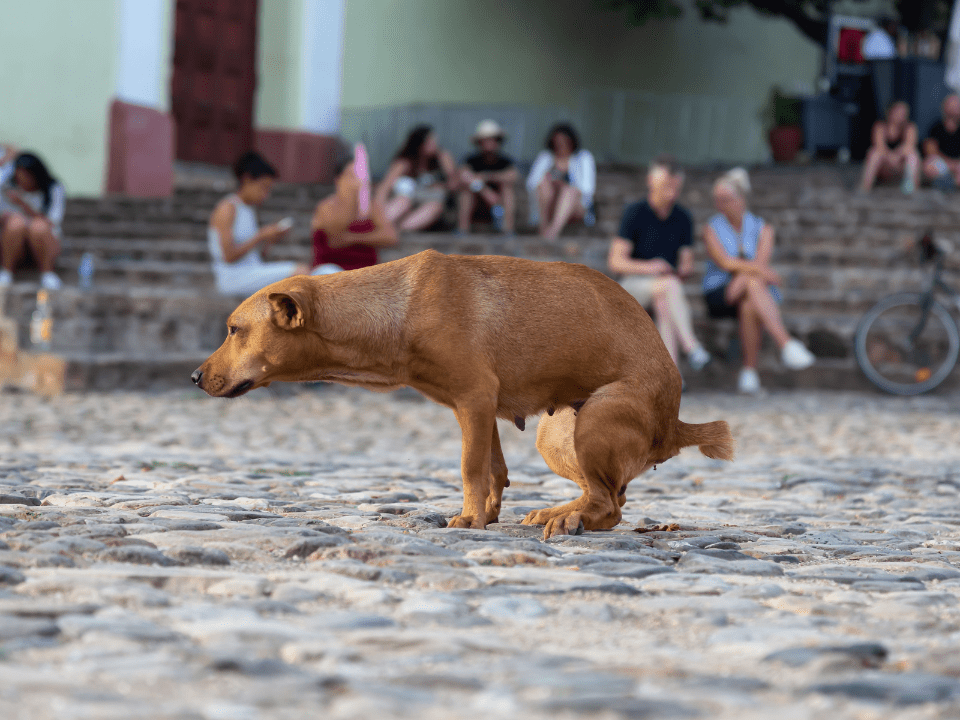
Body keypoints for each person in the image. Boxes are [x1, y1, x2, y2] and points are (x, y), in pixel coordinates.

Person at [702, 168, 815, 394]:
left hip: (748, 293)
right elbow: (726, 263)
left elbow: (756, 266)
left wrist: (751, 271)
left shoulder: (763, 229)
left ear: (741, 199)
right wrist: (760, 272)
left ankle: (749, 374)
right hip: (720, 291)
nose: (720, 205)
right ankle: (786, 344)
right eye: (718, 200)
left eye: (726, 200)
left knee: (749, 300)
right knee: (754, 281)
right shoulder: (711, 228)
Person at [608, 155, 711, 375]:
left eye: (675, 187)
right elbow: (616, 262)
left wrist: (683, 269)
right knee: (668, 287)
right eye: (666, 186)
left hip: (665, 286)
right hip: (633, 285)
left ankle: (672, 377)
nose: (671, 192)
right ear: (651, 182)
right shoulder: (635, 213)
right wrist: (650, 267)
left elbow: (686, 261)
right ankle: (691, 346)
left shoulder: (683, 218)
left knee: (665, 299)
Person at [208, 152, 325, 297]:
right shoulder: (227, 208)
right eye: (263, 187)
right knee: (300, 273)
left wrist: (269, 240)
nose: (265, 195)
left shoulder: (248, 209)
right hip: (232, 277)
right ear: (247, 180)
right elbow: (228, 257)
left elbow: (253, 256)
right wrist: (260, 235)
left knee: (313, 274)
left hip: (251, 271)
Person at [311, 146, 398, 271]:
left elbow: (390, 236)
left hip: (362, 273)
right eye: (352, 176)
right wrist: (350, 201)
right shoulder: (326, 207)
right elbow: (336, 238)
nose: (358, 181)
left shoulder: (371, 206)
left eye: (360, 175)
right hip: (330, 272)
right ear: (338, 180)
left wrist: (353, 238)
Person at [0, 149, 66, 290]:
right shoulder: (7, 189)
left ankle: (47, 272)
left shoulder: (54, 188)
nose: (22, 182)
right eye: (18, 178)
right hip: (17, 247)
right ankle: (6, 271)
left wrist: (22, 204)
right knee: (15, 223)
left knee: (38, 226)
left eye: (26, 178)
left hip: (45, 243)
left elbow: (51, 222)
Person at [376, 125, 457, 232]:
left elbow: (454, 185)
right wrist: (376, 209)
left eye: (435, 141)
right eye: (430, 141)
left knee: (435, 207)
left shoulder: (442, 158)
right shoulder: (405, 162)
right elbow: (384, 188)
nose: (435, 144)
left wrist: (442, 179)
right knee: (403, 201)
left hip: (432, 206)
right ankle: (376, 226)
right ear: (419, 144)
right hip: (405, 202)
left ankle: (394, 231)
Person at [526, 123, 596, 239]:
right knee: (543, 183)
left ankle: (552, 233)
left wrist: (562, 185)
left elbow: (588, 189)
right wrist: (552, 184)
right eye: (558, 140)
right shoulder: (545, 157)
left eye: (564, 140)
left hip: (576, 207)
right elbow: (532, 184)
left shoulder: (584, 157)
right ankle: (543, 228)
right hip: (549, 204)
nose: (561, 144)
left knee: (569, 191)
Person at [456, 120, 518, 234]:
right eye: (486, 139)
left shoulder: (506, 161)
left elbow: (512, 176)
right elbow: (464, 177)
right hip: (477, 201)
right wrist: (485, 191)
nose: (489, 143)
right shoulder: (470, 160)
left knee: (507, 189)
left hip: (499, 203)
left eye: (492, 139)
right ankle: (462, 230)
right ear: (479, 142)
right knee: (466, 192)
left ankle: (508, 231)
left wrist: (485, 177)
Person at [858, 101, 920, 193]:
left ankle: (910, 188)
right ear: (890, 112)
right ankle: (865, 187)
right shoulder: (880, 126)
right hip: (884, 166)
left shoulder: (910, 127)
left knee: (912, 154)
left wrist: (895, 157)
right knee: (874, 153)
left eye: (903, 112)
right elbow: (879, 146)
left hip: (900, 166)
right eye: (898, 111)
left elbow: (909, 145)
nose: (901, 115)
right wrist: (891, 157)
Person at [923, 94, 960, 189]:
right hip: (943, 164)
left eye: (957, 105)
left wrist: (955, 164)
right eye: (952, 105)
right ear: (944, 107)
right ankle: (948, 182)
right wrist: (949, 164)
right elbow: (931, 151)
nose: (955, 108)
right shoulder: (936, 127)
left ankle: (951, 184)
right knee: (929, 165)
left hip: (958, 165)